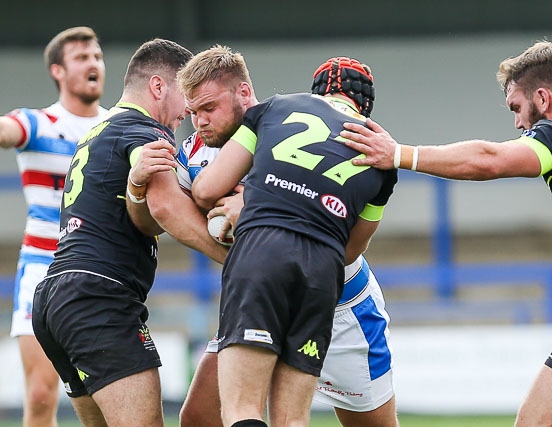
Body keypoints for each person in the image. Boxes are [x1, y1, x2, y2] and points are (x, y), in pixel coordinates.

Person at [340, 39, 552, 427]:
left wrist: (398, 153)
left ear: (543, 98)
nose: (518, 122)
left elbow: (490, 160)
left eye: (517, 108)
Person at [126, 45, 397, 427]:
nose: (199, 122)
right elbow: (159, 214)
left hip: (341, 304)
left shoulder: (280, 119)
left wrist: (254, 208)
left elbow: (348, 241)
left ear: (242, 93)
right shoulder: (195, 151)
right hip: (261, 282)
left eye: (209, 109)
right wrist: (137, 187)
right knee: (200, 417)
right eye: (194, 112)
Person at [30, 38, 227, 427]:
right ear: (158, 87)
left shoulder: (99, 131)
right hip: (98, 298)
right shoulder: (145, 130)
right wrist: (236, 259)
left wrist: (137, 188)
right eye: (185, 97)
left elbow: (147, 219)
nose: (187, 113)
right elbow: (167, 208)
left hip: (56, 297)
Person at [0, 26, 107, 427]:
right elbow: (7, 130)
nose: (93, 64)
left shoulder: (115, 127)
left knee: (104, 394)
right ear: (57, 71)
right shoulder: (38, 123)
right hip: (41, 269)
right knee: (43, 394)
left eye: (96, 56)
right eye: (82, 58)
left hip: (100, 270)